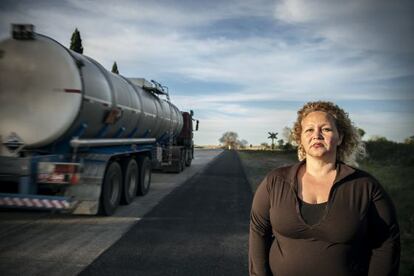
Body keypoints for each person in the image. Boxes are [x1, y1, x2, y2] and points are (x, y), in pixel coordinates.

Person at [249, 101, 400, 276]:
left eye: (326, 129)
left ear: (340, 137)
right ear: (301, 139)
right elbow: (258, 231)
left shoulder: (365, 186)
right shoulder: (275, 181)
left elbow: (387, 243)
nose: (317, 135)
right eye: (309, 130)